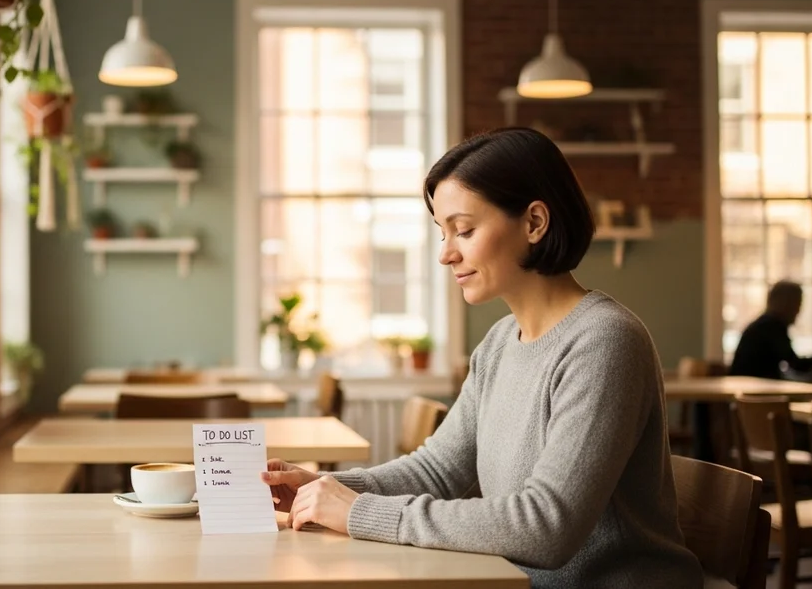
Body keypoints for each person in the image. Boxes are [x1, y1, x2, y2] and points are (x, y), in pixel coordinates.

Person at [261, 128, 702, 588]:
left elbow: (546, 527)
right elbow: (438, 469)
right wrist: (325, 490)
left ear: (534, 223)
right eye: (442, 232)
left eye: (464, 230)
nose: (446, 254)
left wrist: (360, 513)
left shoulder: (604, 342)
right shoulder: (498, 344)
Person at [728, 281, 812, 379]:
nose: (799, 310)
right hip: (753, 386)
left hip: (748, 384)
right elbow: (796, 364)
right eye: (798, 303)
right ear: (788, 304)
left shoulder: (765, 324)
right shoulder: (772, 327)